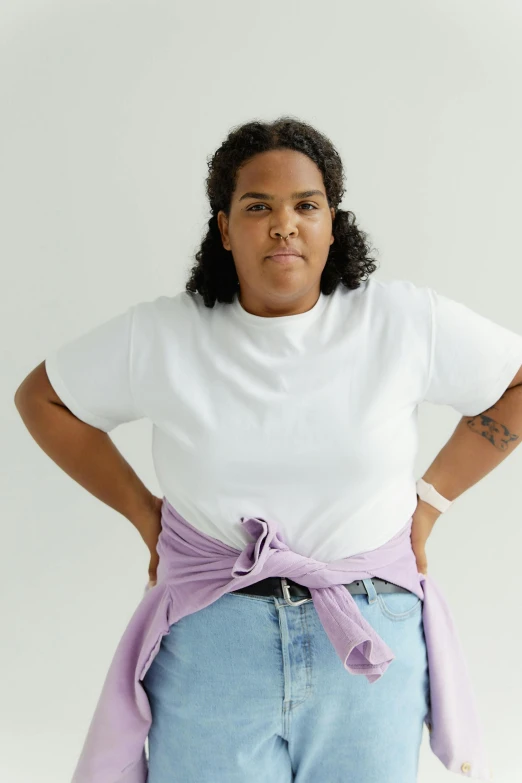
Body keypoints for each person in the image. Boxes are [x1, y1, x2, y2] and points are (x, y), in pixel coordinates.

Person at [15, 117, 522, 783]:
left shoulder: (399, 321)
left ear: (331, 223)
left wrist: (428, 504)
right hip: (212, 645)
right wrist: (147, 516)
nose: (284, 224)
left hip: (367, 640)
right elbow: (43, 400)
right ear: (224, 227)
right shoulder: (164, 334)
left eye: (306, 206)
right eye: (258, 207)